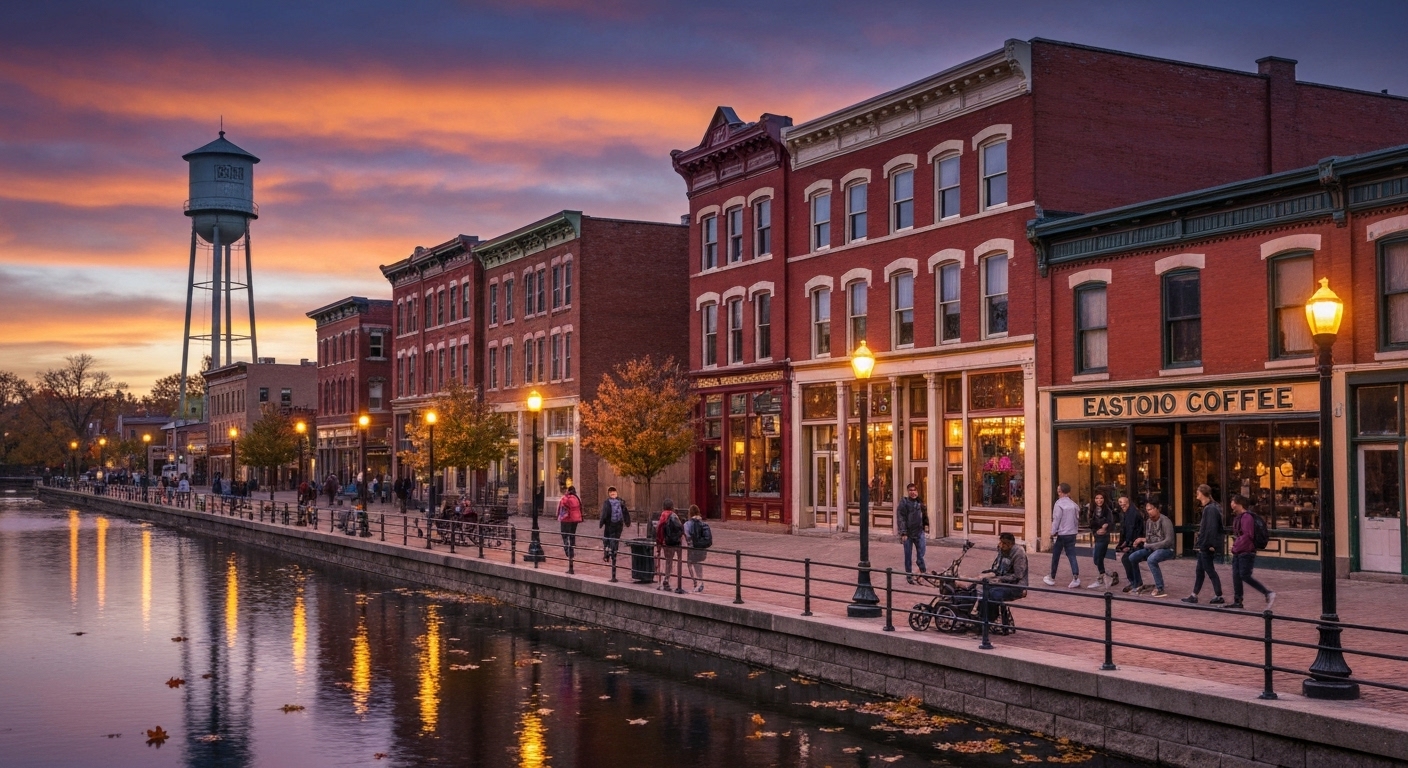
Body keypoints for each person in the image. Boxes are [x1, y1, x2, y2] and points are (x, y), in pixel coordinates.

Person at [1226, 494, 1275, 610]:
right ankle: (1238, 601)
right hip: (1239, 551)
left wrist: (1235, 547)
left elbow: (1248, 535)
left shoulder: (1247, 517)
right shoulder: (1239, 517)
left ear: (1238, 503)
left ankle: (1267, 592)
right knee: (1236, 576)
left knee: (1244, 575)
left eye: (1232, 501)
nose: (1231, 504)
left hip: (1246, 551)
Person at [1183, 484, 1225, 605]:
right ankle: (1194, 595)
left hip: (1206, 546)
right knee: (1200, 571)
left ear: (1203, 493)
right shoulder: (1210, 507)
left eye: (1198, 492)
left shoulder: (1210, 509)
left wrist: (1207, 545)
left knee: (1209, 570)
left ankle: (1218, 595)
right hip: (1205, 545)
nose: (1196, 494)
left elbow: (1210, 529)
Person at [1126, 501, 1176, 597]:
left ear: (1157, 509)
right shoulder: (1148, 521)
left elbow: (1168, 541)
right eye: (1147, 510)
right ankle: (1138, 583)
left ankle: (1160, 587)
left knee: (1151, 559)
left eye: (1151, 509)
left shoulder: (1165, 521)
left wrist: (1150, 545)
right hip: (1152, 548)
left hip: (1167, 549)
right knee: (1132, 557)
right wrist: (1142, 540)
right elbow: (1149, 538)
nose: (1149, 512)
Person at [981, 532, 1028, 621]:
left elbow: (1018, 576)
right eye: (1000, 542)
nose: (1001, 545)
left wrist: (998, 579)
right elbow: (998, 568)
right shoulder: (1002, 550)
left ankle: (987, 621)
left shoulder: (1019, 553)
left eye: (1003, 543)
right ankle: (980, 617)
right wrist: (988, 574)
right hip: (1002, 581)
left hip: (1015, 586)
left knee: (991, 593)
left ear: (1010, 544)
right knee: (980, 587)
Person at [1044, 482, 1081, 588]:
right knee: (1072, 555)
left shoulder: (1059, 504)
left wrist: (1052, 532)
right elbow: (1077, 518)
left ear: (1060, 492)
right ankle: (1075, 576)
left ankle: (1052, 576)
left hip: (1062, 533)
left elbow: (1056, 519)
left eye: (1058, 491)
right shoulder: (1074, 505)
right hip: (1072, 533)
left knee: (1056, 555)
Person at [1086, 491, 1119, 589]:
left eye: (1101, 498)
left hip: (1104, 537)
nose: (1099, 500)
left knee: (1098, 558)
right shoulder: (1091, 510)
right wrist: (1097, 530)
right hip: (1097, 536)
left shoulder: (1107, 510)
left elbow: (1111, 522)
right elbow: (1090, 523)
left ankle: (1101, 580)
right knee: (1096, 560)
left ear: (1104, 499)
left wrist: (1105, 527)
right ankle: (1111, 574)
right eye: (1097, 498)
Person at [896, 483, 928, 584]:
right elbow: (901, 518)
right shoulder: (904, 503)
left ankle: (921, 568)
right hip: (908, 534)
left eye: (914, 490)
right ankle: (909, 574)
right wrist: (903, 533)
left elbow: (924, 515)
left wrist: (926, 524)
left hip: (919, 532)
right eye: (911, 490)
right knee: (908, 555)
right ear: (908, 491)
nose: (913, 492)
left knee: (921, 551)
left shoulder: (920, 502)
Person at [1116, 496, 1147, 593]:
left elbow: (1132, 530)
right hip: (1133, 542)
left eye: (1123, 502)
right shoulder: (1127, 513)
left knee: (1129, 558)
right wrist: (1123, 543)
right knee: (1127, 559)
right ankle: (1135, 582)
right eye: (1120, 502)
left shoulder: (1132, 514)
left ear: (1128, 502)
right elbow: (1126, 530)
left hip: (1138, 543)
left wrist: (1128, 545)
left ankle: (1136, 582)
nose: (1121, 504)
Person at [655, 499, 685, 593]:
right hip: (674, 542)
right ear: (672, 506)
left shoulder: (662, 515)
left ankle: (665, 579)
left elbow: (658, 530)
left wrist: (659, 543)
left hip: (665, 542)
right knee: (677, 562)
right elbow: (680, 527)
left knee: (668, 561)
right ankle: (671, 582)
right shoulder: (673, 515)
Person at [598, 486, 631, 562]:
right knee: (616, 540)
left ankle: (607, 555)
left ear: (609, 493)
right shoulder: (621, 501)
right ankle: (614, 554)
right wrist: (627, 522)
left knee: (607, 539)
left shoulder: (607, 502)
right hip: (619, 524)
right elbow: (625, 512)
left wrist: (601, 523)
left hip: (610, 524)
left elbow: (604, 514)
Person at [684, 505, 710, 592]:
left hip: (692, 548)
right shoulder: (703, 523)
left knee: (690, 563)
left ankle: (695, 582)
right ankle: (700, 581)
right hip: (702, 548)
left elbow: (687, 536)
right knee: (698, 564)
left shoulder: (687, 524)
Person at [557, 486, 583, 560]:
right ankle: (572, 549)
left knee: (564, 535)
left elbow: (561, 508)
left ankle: (568, 551)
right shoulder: (577, 498)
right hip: (575, 519)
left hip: (566, 520)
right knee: (572, 534)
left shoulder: (565, 498)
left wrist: (559, 516)